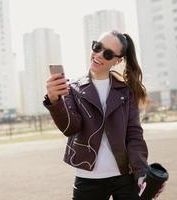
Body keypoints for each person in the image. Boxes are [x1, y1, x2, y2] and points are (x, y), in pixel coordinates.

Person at [43, 30, 156, 200]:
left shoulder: (126, 92)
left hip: (125, 176)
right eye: (97, 47)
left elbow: (134, 134)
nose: (99, 55)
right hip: (88, 178)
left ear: (118, 60)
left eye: (108, 53)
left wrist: (141, 172)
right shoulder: (72, 89)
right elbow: (71, 128)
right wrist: (55, 102)